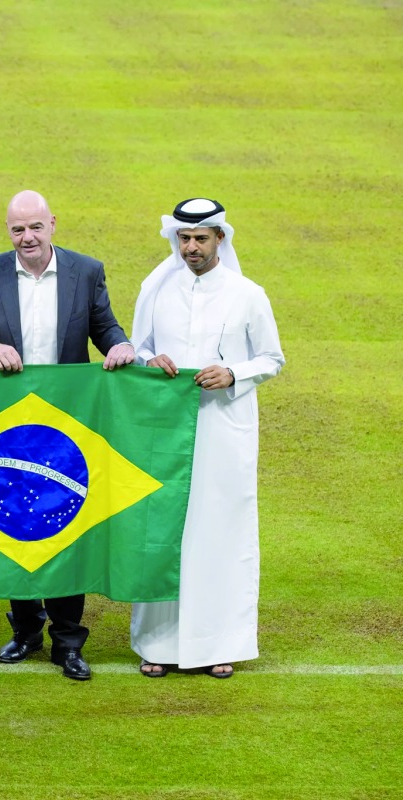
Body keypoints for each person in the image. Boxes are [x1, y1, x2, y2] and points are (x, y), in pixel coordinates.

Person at [0, 190, 135, 681]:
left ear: (53, 224)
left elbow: (104, 327)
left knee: (65, 525)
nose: (28, 237)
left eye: (36, 227)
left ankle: (67, 641)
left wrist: (121, 346)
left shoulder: (86, 270)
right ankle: (24, 630)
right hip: (9, 426)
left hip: (66, 427)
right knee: (15, 522)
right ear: (8, 231)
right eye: (18, 229)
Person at [128, 198, 284, 679]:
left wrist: (233, 372)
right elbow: (137, 348)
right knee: (165, 528)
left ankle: (222, 644)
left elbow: (272, 358)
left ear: (220, 239)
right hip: (166, 429)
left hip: (224, 431)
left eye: (200, 239)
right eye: (184, 239)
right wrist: (151, 362)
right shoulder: (155, 289)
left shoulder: (247, 294)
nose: (191, 247)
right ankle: (158, 643)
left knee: (220, 530)